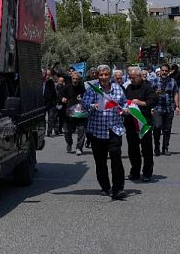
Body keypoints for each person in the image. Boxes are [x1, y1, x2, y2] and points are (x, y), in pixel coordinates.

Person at [82, 65, 127, 198]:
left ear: (110, 76)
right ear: (97, 76)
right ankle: (105, 187)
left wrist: (126, 109)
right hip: (97, 131)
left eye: (106, 74)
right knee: (100, 162)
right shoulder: (92, 90)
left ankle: (118, 188)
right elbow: (85, 105)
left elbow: (124, 103)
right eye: (101, 75)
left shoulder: (118, 89)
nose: (103, 77)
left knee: (116, 158)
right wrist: (93, 106)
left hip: (114, 129)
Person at [123, 67, 157, 181]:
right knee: (133, 150)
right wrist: (125, 109)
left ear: (140, 76)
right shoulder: (128, 88)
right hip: (131, 123)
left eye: (133, 78)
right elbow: (124, 101)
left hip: (144, 123)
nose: (131, 80)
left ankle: (147, 173)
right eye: (130, 78)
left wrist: (141, 103)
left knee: (146, 149)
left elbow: (153, 101)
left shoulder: (147, 88)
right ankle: (135, 172)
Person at [148, 64, 179, 155]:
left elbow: (175, 93)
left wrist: (177, 106)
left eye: (166, 71)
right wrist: (155, 93)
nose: (164, 72)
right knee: (157, 127)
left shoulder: (172, 81)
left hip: (169, 108)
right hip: (157, 108)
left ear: (169, 71)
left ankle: (165, 148)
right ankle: (156, 147)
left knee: (167, 129)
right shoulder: (154, 81)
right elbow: (149, 95)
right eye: (163, 70)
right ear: (160, 71)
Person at [59, 69, 86, 154]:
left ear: (79, 79)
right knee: (67, 131)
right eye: (73, 78)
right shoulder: (66, 87)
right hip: (68, 113)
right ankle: (69, 143)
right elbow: (59, 95)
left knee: (81, 129)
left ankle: (79, 147)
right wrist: (62, 98)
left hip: (79, 113)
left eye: (76, 79)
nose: (75, 80)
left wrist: (82, 98)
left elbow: (86, 97)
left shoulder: (82, 88)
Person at [42, 69, 58, 136]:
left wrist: (55, 102)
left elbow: (54, 93)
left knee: (51, 118)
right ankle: (42, 132)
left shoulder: (51, 82)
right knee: (42, 118)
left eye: (49, 75)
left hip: (51, 103)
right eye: (46, 75)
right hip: (42, 103)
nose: (48, 76)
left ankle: (49, 132)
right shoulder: (40, 82)